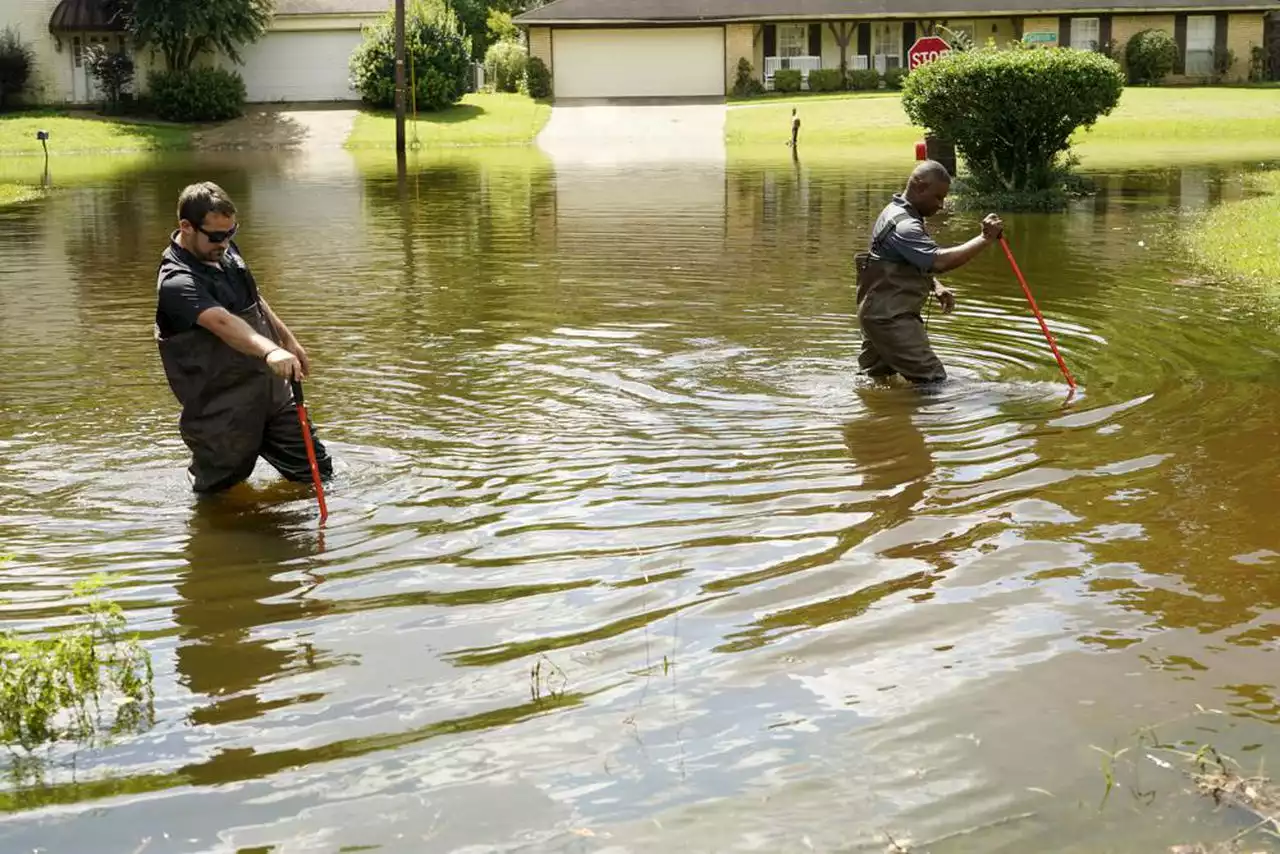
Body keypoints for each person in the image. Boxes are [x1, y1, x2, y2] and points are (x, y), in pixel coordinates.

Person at [154, 181, 334, 493]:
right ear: (186, 226)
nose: (225, 243)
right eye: (217, 236)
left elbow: (253, 299)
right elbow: (223, 323)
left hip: (273, 396)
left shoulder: (224, 250)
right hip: (222, 413)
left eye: (232, 232)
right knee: (219, 496)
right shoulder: (176, 282)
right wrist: (270, 352)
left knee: (318, 474)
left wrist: (286, 339)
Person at [854, 160, 1004, 385]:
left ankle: (878, 417)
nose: (941, 205)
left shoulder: (895, 211)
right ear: (919, 186)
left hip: (875, 315)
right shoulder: (904, 225)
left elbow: (902, 262)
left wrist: (935, 286)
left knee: (875, 380)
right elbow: (939, 262)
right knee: (933, 380)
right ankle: (930, 420)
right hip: (890, 319)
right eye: (938, 197)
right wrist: (985, 238)